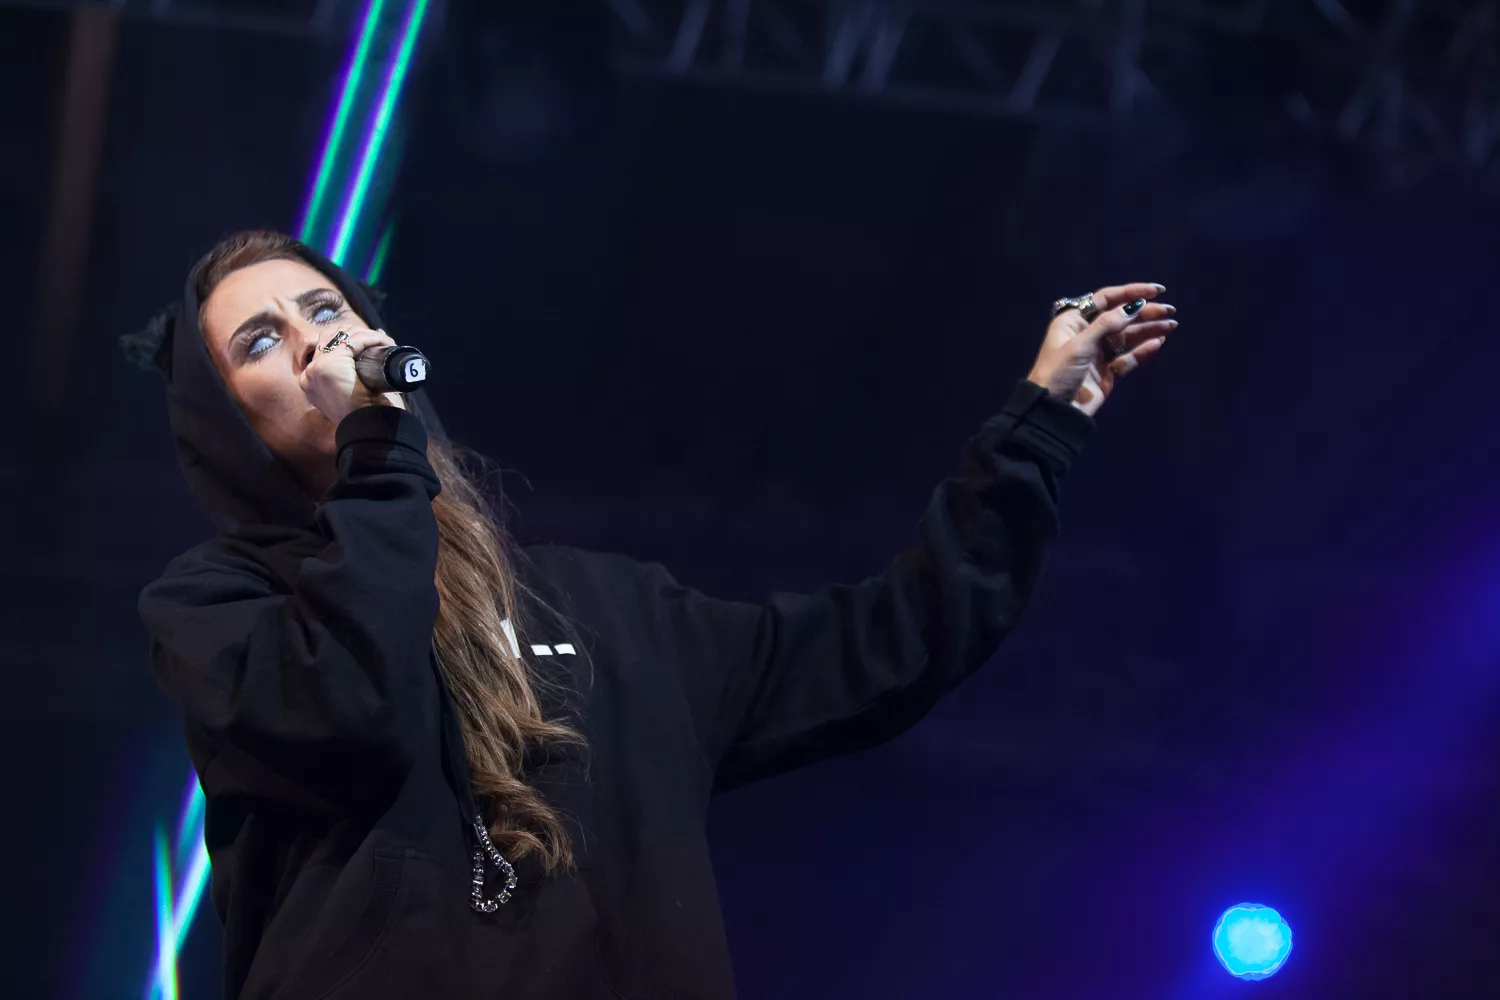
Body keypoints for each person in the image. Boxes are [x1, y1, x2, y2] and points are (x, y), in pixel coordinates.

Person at [122, 229, 1177, 1000]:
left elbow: (892, 643)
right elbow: (347, 700)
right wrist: (377, 456)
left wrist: (1038, 429)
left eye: (324, 311)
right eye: (259, 341)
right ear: (226, 424)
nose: (312, 344)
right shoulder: (218, 606)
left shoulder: (608, 608)